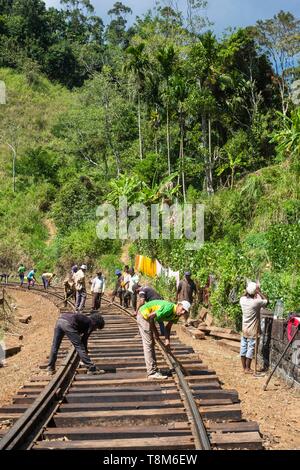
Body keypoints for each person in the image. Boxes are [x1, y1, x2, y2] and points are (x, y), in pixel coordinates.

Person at [137, 299, 191, 380]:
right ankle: (151, 372)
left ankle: (154, 369)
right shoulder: (169, 308)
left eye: (185, 312)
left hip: (148, 317)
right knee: (148, 343)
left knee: (151, 343)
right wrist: (155, 333)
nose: (183, 312)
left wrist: (167, 341)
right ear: (178, 305)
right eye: (182, 309)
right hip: (144, 315)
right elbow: (150, 317)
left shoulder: (176, 315)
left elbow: (168, 328)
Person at [240, 281, 268, 374]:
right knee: (251, 348)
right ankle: (248, 368)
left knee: (243, 347)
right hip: (253, 329)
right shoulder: (256, 302)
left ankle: (244, 368)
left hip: (244, 328)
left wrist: (252, 290)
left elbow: (244, 295)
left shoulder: (242, 300)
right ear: (255, 293)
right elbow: (267, 301)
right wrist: (259, 291)